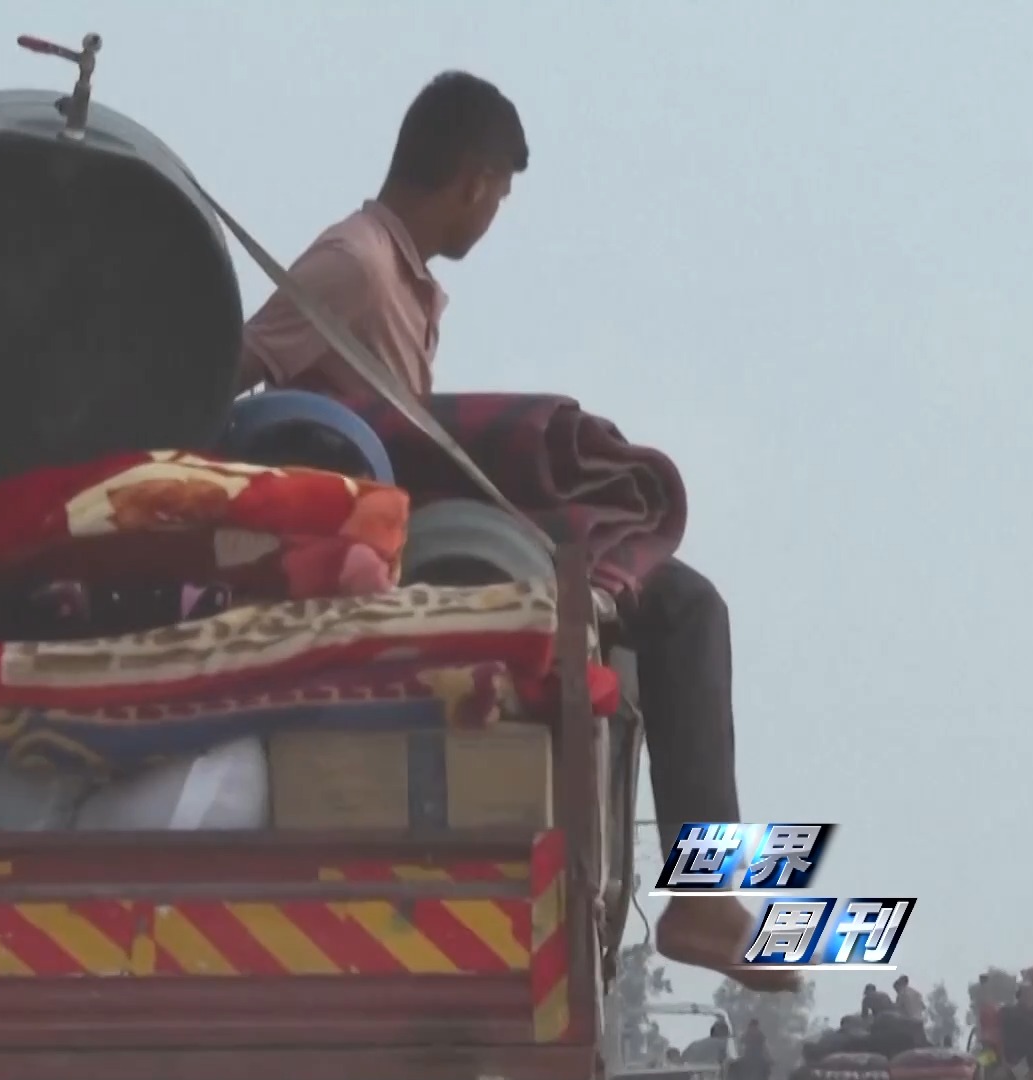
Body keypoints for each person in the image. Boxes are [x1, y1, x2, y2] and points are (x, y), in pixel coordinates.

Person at [236, 68, 792, 992]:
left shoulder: (395, 275)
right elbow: (235, 371)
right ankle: (705, 900)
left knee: (672, 613)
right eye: (498, 195)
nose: (493, 214)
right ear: (475, 182)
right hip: (398, 545)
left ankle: (706, 892)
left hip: (418, 526)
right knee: (686, 607)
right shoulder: (354, 266)